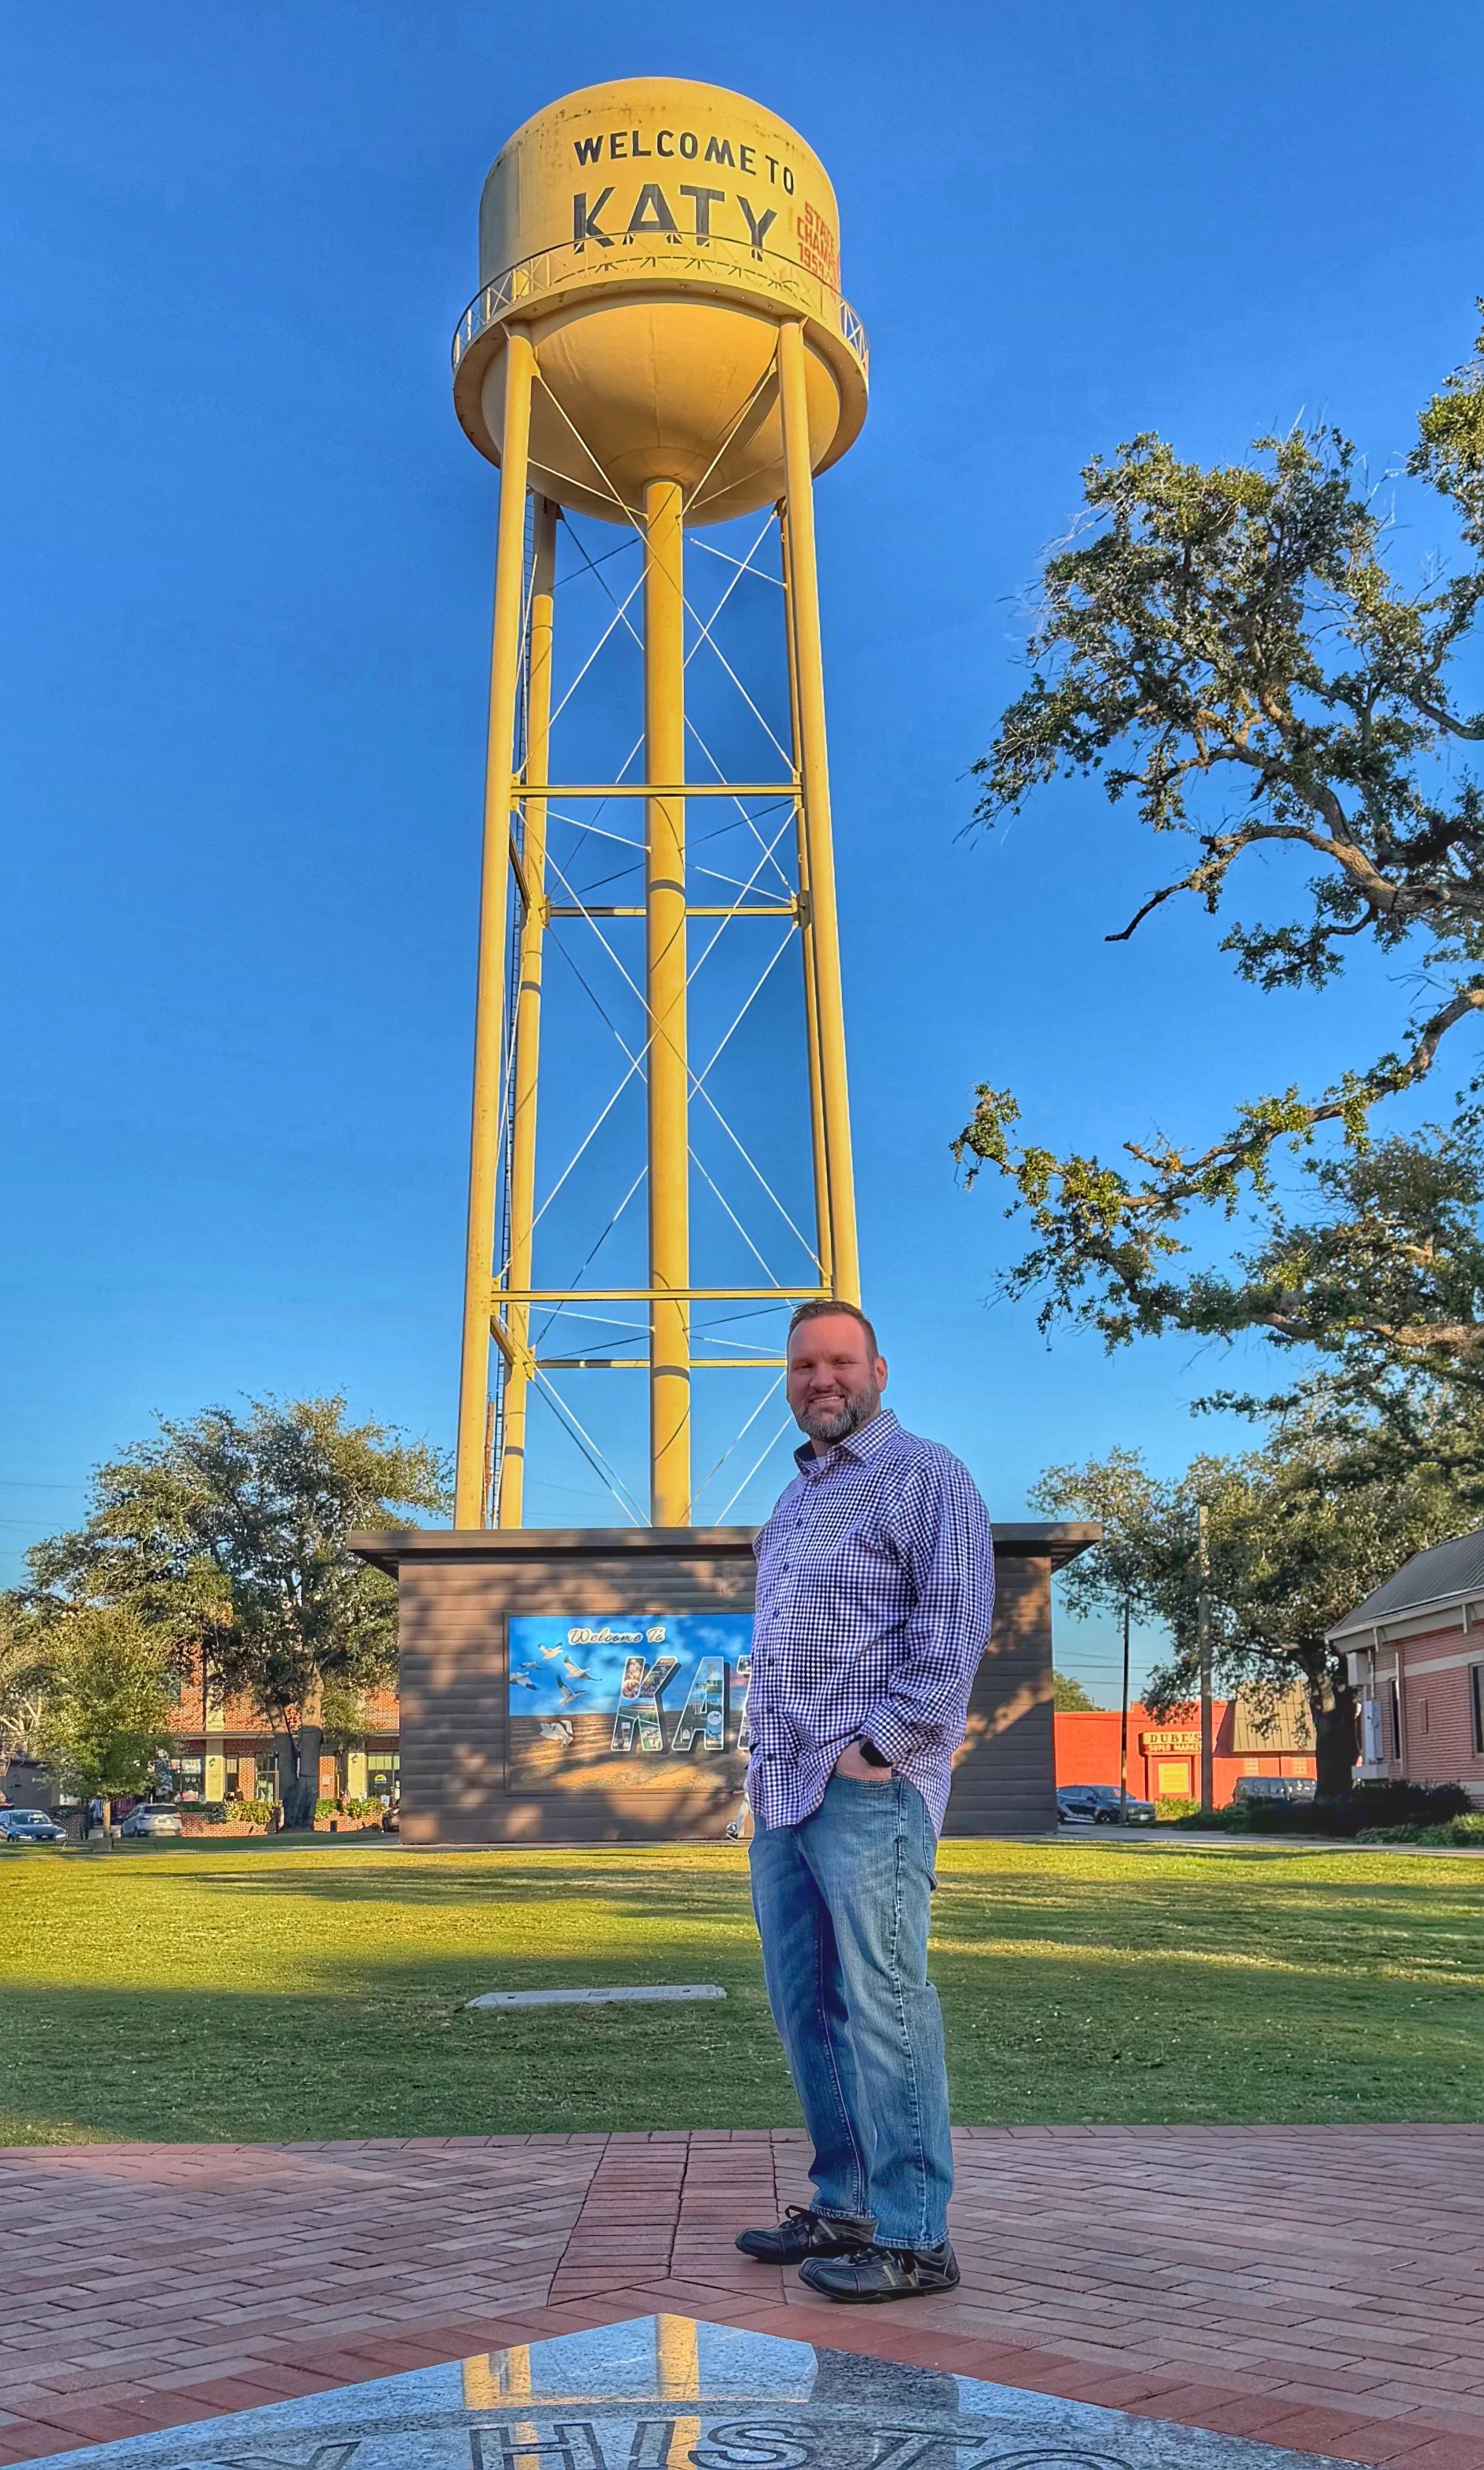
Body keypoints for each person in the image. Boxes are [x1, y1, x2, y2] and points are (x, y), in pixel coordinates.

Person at [736, 1300, 995, 2303]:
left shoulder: (927, 1476)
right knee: (809, 2008)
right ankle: (844, 2206)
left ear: (879, 1370)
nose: (822, 1380)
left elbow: (956, 1627)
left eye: (840, 1362)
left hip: (868, 1790)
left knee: (884, 2005)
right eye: (805, 1365)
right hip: (783, 1789)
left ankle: (917, 2238)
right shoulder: (795, 1498)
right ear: (788, 1378)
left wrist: (878, 1745)